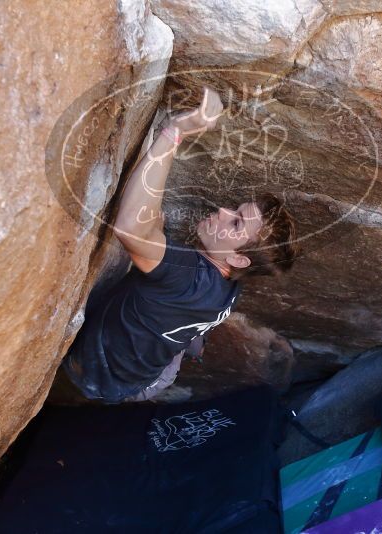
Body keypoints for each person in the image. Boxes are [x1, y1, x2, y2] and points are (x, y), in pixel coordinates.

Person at [57, 87, 298, 404]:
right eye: (235, 209)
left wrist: (174, 133)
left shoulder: (187, 274)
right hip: (159, 369)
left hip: (104, 377)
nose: (223, 212)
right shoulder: (230, 283)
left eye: (236, 222)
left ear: (240, 260)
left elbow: (131, 228)